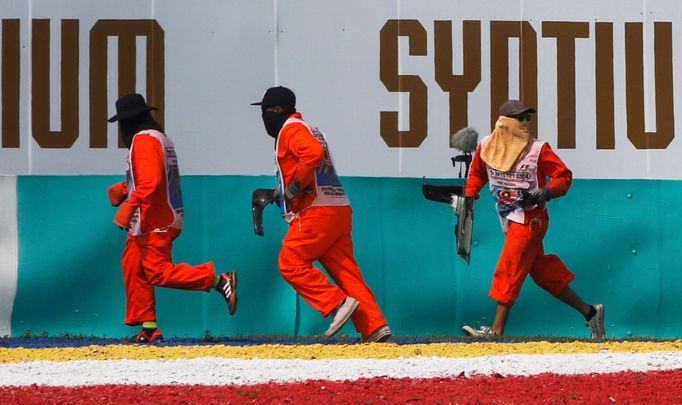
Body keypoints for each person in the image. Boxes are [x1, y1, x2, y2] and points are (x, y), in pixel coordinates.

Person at [251, 86, 391, 342]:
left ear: (278, 110)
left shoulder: (290, 130)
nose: (263, 117)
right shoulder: (308, 128)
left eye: (265, 111)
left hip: (316, 211)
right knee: (347, 273)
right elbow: (310, 164)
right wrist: (278, 192)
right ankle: (374, 326)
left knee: (290, 262)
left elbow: (312, 156)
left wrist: (293, 189)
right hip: (337, 208)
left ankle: (337, 304)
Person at [462, 99, 605, 339]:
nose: (525, 123)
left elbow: (564, 177)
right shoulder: (487, 146)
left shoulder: (538, 149)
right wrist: (469, 194)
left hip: (531, 219)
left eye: (527, 118)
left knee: (510, 265)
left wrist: (546, 192)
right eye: (520, 118)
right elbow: (477, 173)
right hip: (509, 217)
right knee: (542, 273)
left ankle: (496, 330)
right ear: (503, 123)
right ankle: (590, 312)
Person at [107, 93, 238, 343]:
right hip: (155, 215)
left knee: (157, 272)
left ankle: (218, 280)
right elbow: (154, 179)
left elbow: (151, 181)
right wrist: (125, 188)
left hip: (157, 219)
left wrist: (129, 205)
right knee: (134, 264)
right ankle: (149, 329)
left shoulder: (144, 140)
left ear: (127, 123)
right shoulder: (159, 138)